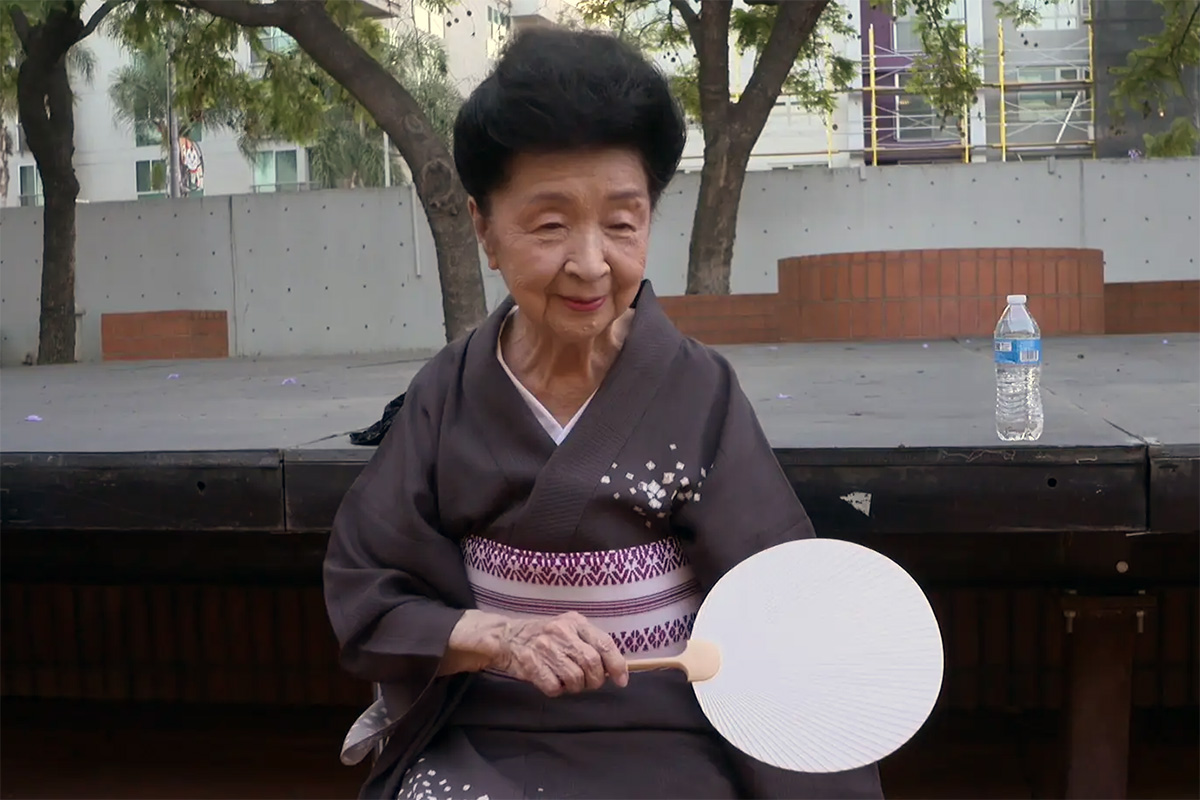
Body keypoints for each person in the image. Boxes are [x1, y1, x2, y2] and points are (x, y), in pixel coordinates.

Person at [324, 25, 884, 800]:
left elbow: (779, 608)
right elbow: (367, 583)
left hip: (665, 730)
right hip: (484, 727)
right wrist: (500, 638)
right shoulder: (444, 395)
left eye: (622, 223)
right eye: (550, 225)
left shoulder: (700, 393)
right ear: (485, 228)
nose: (590, 263)